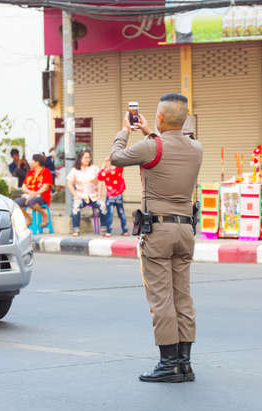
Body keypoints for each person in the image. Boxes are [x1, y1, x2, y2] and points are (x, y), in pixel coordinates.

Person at [110, 93, 203, 383]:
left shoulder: (151, 147)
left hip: (159, 232)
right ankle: (185, 363)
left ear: (160, 117)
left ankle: (167, 364)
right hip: (186, 230)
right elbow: (169, 144)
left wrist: (126, 130)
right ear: (185, 118)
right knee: (182, 296)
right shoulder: (196, 147)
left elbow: (116, 158)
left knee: (161, 298)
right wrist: (151, 129)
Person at [67, 149, 106, 237]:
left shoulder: (94, 168)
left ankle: (104, 227)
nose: (88, 159)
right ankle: (76, 229)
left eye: (89, 157)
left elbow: (100, 181)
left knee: (103, 205)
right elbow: (69, 184)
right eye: (85, 158)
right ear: (80, 159)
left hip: (93, 195)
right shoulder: (74, 170)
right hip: (81, 196)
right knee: (75, 207)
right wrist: (75, 194)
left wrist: (99, 195)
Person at [15, 154, 53, 227]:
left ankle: (44, 215)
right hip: (29, 195)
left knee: (31, 202)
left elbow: (45, 188)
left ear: (37, 162)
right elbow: (23, 187)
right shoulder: (30, 172)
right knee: (16, 203)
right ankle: (29, 218)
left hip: (42, 196)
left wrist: (34, 194)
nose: (30, 162)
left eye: (32, 160)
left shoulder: (46, 172)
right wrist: (31, 193)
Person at [97, 158, 129, 238]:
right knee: (121, 213)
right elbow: (121, 165)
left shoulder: (106, 173)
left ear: (109, 164)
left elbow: (99, 176)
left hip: (110, 196)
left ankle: (108, 232)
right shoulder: (118, 170)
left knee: (109, 214)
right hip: (118, 195)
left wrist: (104, 164)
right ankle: (125, 231)